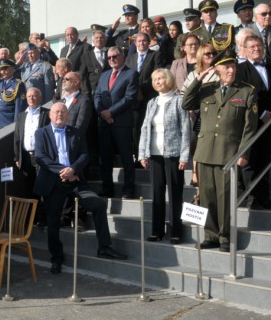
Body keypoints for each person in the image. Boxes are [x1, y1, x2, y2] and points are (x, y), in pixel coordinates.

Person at [34, 102, 127, 274]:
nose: (60, 114)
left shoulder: (76, 133)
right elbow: (40, 157)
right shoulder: (41, 133)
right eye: (56, 112)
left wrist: (73, 169)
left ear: (67, 115)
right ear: (50, 115)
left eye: (63, 111)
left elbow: (85, 155)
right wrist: (63, 171)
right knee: (53, 222)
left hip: (75, 180)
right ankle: (56, 258)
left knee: (98, 205)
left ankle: (104, 247)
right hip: (53, 182)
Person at [182, 51, 257, 252]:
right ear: (218, 70)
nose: (231, 70)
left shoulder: (246, 91)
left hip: (228, 153)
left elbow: (250, 127)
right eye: (226, 67)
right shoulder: (207, 89)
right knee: (207, 195)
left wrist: (243, 152)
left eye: (233, 67)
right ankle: (211, 235)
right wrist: (199, 79)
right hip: (205, 151)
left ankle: (225, 237)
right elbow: (186, 103)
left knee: (225, 197)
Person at [138, 69, 190, 244]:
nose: (158, 81)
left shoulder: (179, 101)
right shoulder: (152, 102)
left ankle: (176, 231)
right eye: (155, 79)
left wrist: (184, 156)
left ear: (168, 79)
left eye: (161, 78)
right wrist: (142, 153)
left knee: (175, 194)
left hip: (173, 154)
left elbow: (185, 129)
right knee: (157, 193)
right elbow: (145, 128)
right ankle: (156, 230)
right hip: (154, 154)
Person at [236, 35, 271, 211]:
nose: (256, 49)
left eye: (259, 46)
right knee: (250, 162)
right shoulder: (240, 69)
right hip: (251, 124)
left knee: (265, 161)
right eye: (252, 47)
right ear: (245, 50)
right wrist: (262, 114)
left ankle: (264, 198)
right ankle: (252, 197)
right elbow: (242, 97)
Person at [94, 47, 138, 198]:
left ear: (122, 56)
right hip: (104, 124)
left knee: (126, 159)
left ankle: (128, 190)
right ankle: (107, 189)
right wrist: (102, 113)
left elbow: (129, 98)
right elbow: (97, 96)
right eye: (109, 57)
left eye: (115, 56)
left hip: (122, 123)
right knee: (105, 159)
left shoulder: (131, 73)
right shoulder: (104, 75)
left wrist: (110, 112)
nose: (112, 59)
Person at [14, 87, 50, 201]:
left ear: (40, 98)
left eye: (34, 96)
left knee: (42, 187)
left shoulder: (47, 113)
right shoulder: (21, 115)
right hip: (25, 157)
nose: (31, 98)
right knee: (28, 189)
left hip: (41, 156)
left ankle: (42, 217)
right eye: (29, 96)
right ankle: (31, 218)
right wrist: (17, 157)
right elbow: (17, 137)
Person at [0, 58, 27, 130]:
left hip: (8, 122)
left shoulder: (18, 84)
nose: (3, 72)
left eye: (5, 69)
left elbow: (19, 107)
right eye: (1, 69)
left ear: (13, 69)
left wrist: (16, 124)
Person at [83, 25, 110, 96]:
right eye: (96, 38)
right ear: (93, 40)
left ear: (105, 40)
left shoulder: (111, 52)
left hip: (109, 88)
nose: (99, 39)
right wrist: (86, 92)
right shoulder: (86, 55)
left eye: (101, 38)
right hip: (93, 91)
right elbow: (83, 75)